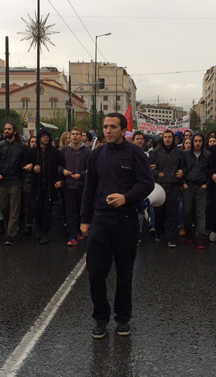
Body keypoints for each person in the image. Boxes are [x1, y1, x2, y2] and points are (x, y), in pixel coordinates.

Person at [80, 113, 154, 338]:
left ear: (124, 130)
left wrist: (127, 197)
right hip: (100, 220)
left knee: (124, 273)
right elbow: (89, 187)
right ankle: (100, 318)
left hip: (125, 221)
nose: (108, 130)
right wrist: (84, 219)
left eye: (113, 127)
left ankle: (123, 318)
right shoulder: (96, 154)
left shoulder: (135, 153)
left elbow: (147, 183)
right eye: (105, 127)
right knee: (95, 273)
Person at [23, 129, 65, 244]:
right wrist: (31, 168)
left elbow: (62, 165)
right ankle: (41, 228)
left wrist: (61, 180)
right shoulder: (33, 152)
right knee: (36, 208)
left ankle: (45, 232)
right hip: (36, 186)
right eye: (43, 136)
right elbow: (25, 165)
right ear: (39, 138)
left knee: (47, 210)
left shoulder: (54, 152)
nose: (45, 138)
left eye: (47, 136)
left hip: (50, 186)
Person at [0, 123, 28, 245]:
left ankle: (10, 235)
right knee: (4, 207)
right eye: (5, 129)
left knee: (14, 208)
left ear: (14, 131)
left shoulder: (22, 147)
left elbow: (26, 162)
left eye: (9, 129)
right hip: (2, 181)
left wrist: (27, 168)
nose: (6, 131)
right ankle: (11, 226)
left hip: (16, 181)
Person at [149, 130, 183, 248]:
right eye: (165, 137)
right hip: (160, 186)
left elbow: (184, 167)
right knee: (159, 212)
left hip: (174, 186)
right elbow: (149, 168)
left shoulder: (179, 152)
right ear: (162, 138)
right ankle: (159, 232)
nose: (167, 139)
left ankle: (172, 238)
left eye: (170, 137)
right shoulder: (155, 152)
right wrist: (157, 173)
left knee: (172, 214)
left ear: (173, 139)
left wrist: (183, 171)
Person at [60, 127, 90, 246]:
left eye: (77, 134)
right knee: (70, 212)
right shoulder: (64, 151)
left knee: (80, 210)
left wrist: (82, 175)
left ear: (82, 136)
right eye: (73, 134)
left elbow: (91, 169)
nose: (74, 136)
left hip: (82, 185)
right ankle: (72, 236)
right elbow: (57, 165)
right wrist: (63, 171)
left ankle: (80, 231)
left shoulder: (87, 152)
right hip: (69, 185)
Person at [180, 133, 211, 249]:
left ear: (203, 142)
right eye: (195, 141)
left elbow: (210, 171)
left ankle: (200, 236)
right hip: (188, 186)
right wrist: (183, 183)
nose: (197, 143)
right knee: (187, 212)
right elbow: (181, 169)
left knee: (201, 213)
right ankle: (188, 231)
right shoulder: (185, 154)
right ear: (192, 142)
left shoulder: (207, 155)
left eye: (200, 141)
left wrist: (206, 184)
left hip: (201, 187)